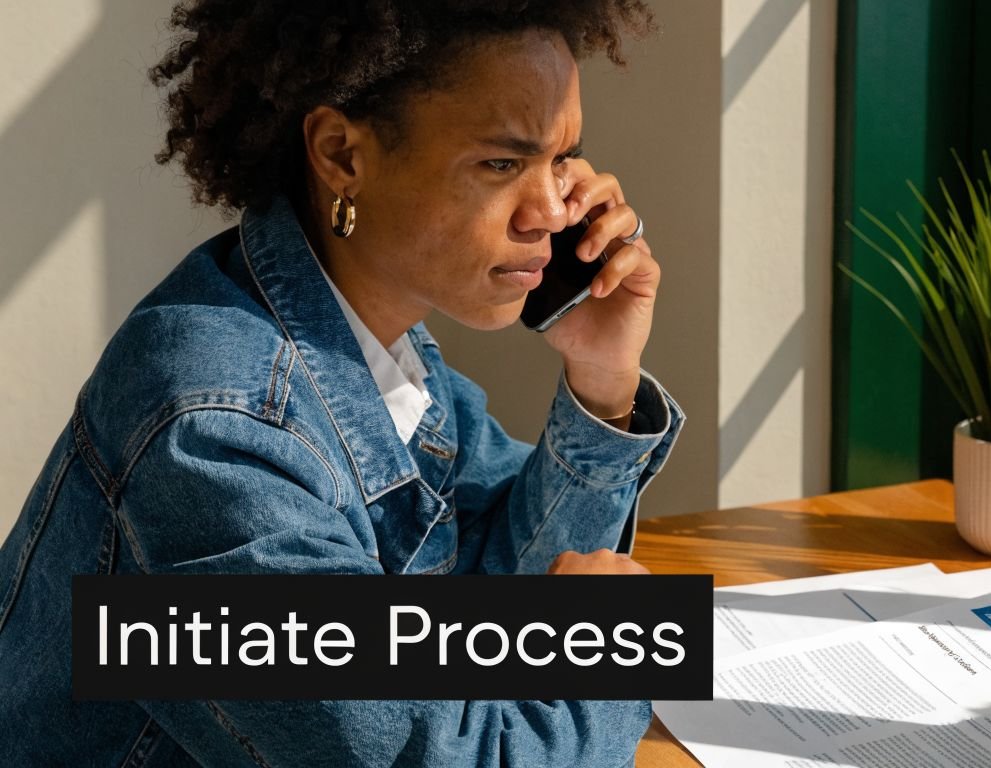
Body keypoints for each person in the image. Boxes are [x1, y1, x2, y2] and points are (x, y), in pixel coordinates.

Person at [0, 1, 684, 765]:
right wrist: (610, 647)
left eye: (561, 161)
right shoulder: (215, 432)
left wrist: (600, 379)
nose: (553, 212)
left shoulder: (383, 355)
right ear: (342, 154)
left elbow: (498, 598)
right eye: (501, 163)